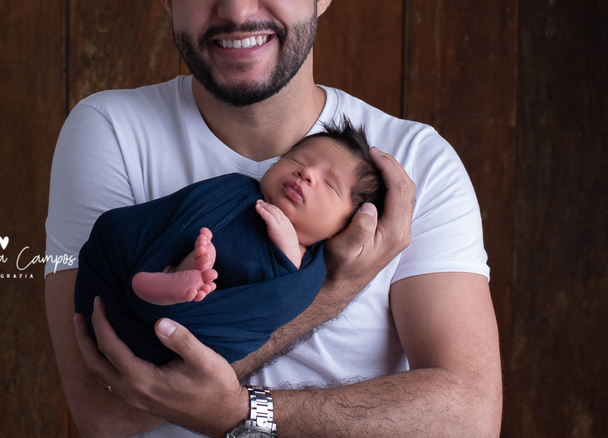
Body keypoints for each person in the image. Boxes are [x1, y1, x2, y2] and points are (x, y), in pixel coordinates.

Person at [43, 0, 501, 438]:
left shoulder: (410, 164)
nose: (235, 7)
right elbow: (100, 410)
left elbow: (470, 418)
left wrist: (243, 414)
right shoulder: (109, 131)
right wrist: (334, 291)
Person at [74, 120, 385, 366]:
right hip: (159, 260)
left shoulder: (310, 267)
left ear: (344, 227)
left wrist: (288, 244)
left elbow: (282, 294)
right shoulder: (235, 190)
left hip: (217, 306)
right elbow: (182, 213)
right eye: (297, 159)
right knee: (194, 250)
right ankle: (171, 274)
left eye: (329, 184)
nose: (307, 173)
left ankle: (172, 288)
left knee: (208, 278)